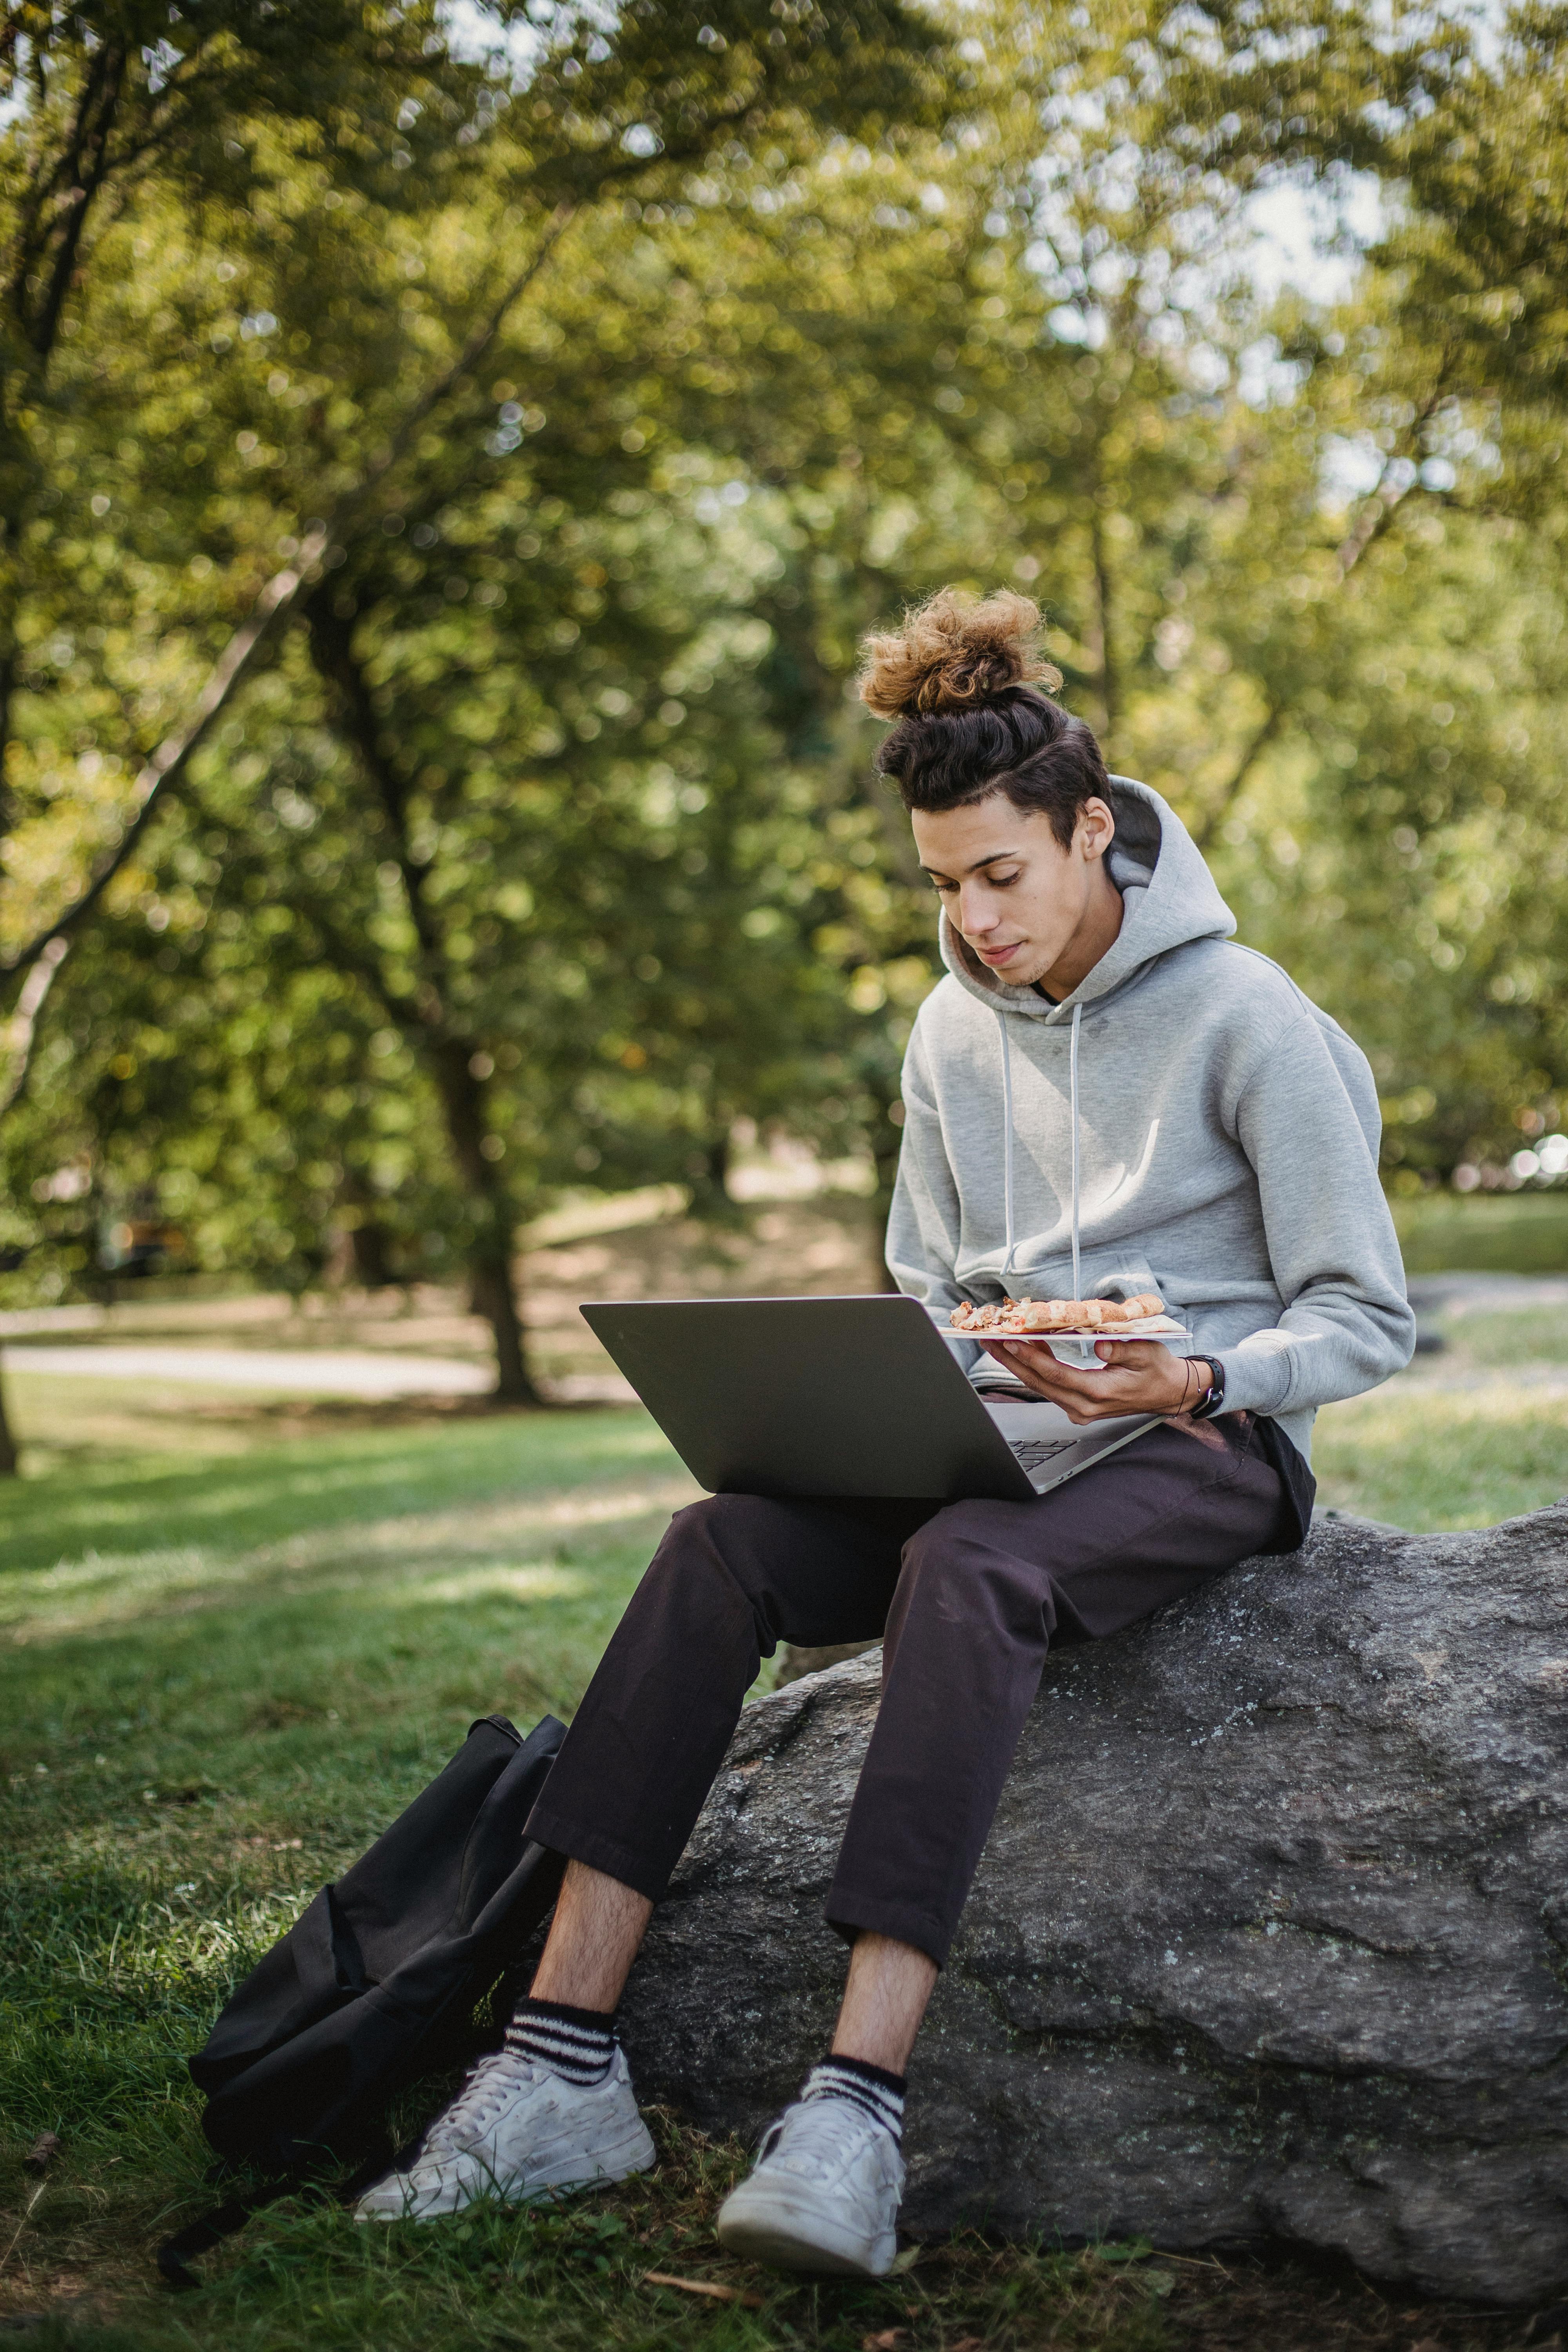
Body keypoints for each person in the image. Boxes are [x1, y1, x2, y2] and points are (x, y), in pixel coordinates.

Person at [356, 588, 1415, 2272]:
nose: (974, 918)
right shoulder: (944, 1033)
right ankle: (559, 2063)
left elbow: (1365, 1315)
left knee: (969, 1563)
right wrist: (928, 1369)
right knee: (714, 1546)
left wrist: (1200, 1379)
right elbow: (926, 1278)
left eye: (1001, 874)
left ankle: (854, 2105)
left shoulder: (1250, 1017)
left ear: (1089, 834)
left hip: (1201, 1448)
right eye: (941, 884)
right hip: (997, 1435)